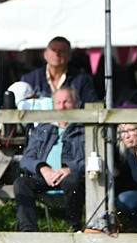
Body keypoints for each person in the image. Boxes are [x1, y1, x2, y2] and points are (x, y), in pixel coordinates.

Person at [13, 87, 86, 233]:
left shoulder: (84, 129)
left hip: (71, 176)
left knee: (73, 180)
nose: (62, 106)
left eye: (67, 102)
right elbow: (26, 159)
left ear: (77, 104)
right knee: (21, 183)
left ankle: (73, 227)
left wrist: (69, 169)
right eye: (58, 102)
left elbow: (91, 159)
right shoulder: (43, 128)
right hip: (45, 177)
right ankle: (28, 231)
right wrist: (42, 168)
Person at [19, 36, 102, 106]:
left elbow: (93, 104)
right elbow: (19, 106)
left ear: (69, 56)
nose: (57, 54)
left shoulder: (81, 80)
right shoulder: (29, 79)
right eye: (53, 50)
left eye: (62, 51)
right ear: (45, 55)